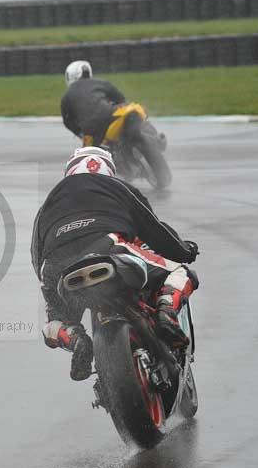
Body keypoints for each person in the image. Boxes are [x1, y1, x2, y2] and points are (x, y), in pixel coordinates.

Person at [31, 146, 199, 381]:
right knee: (181, 273)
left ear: (69, 170)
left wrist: (51, 283)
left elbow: (36, 256)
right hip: (108, 247)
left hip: (57, 266)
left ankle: (76, 339)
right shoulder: (118, 187)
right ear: (109, 170)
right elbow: (153, 230)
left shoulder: (49, 202)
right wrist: (184, 251)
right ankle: (166, 314)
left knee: (54, 323)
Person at [61, 60, 127, 147]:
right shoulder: (102, 83)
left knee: (90, 154)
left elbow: (67, 121)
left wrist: (80, 133)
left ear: (71, 76)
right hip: (112, 115)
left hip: (91, 128)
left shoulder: (67, 95)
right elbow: (121, 99)